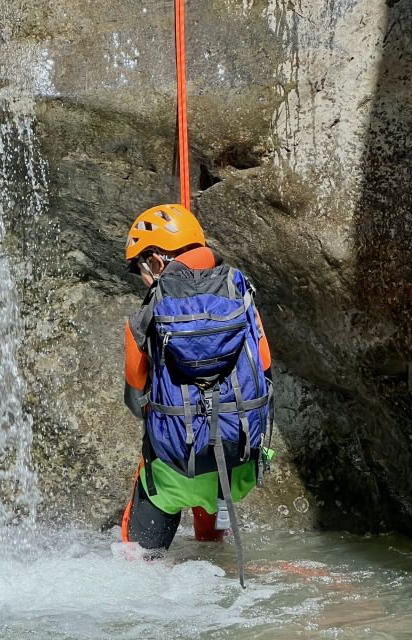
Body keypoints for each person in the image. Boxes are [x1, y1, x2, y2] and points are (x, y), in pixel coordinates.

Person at [119, 203, 273, 583]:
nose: (142, 278)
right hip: (238, 468)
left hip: (174, 472)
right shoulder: (241, 292)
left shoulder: (147, 313)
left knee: (136, 558)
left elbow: (135, 399)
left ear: (156, 260)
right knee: (210, 453)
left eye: (140, 267)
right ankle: (214, 545)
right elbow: (265, 368)